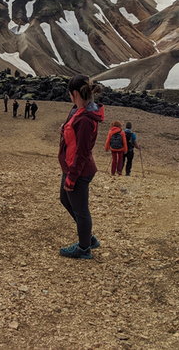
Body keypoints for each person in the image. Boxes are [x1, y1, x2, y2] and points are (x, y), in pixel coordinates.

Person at [58, 75, 105, 259]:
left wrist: (72, 177)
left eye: (70, 94)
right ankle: (87, 237)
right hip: (70, 167)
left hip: (78, 171)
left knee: (81, 209)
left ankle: (85, 247)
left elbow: (82, 152)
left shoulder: (86, 119)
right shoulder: (77, 111)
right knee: (65, 199)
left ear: (75, 93)